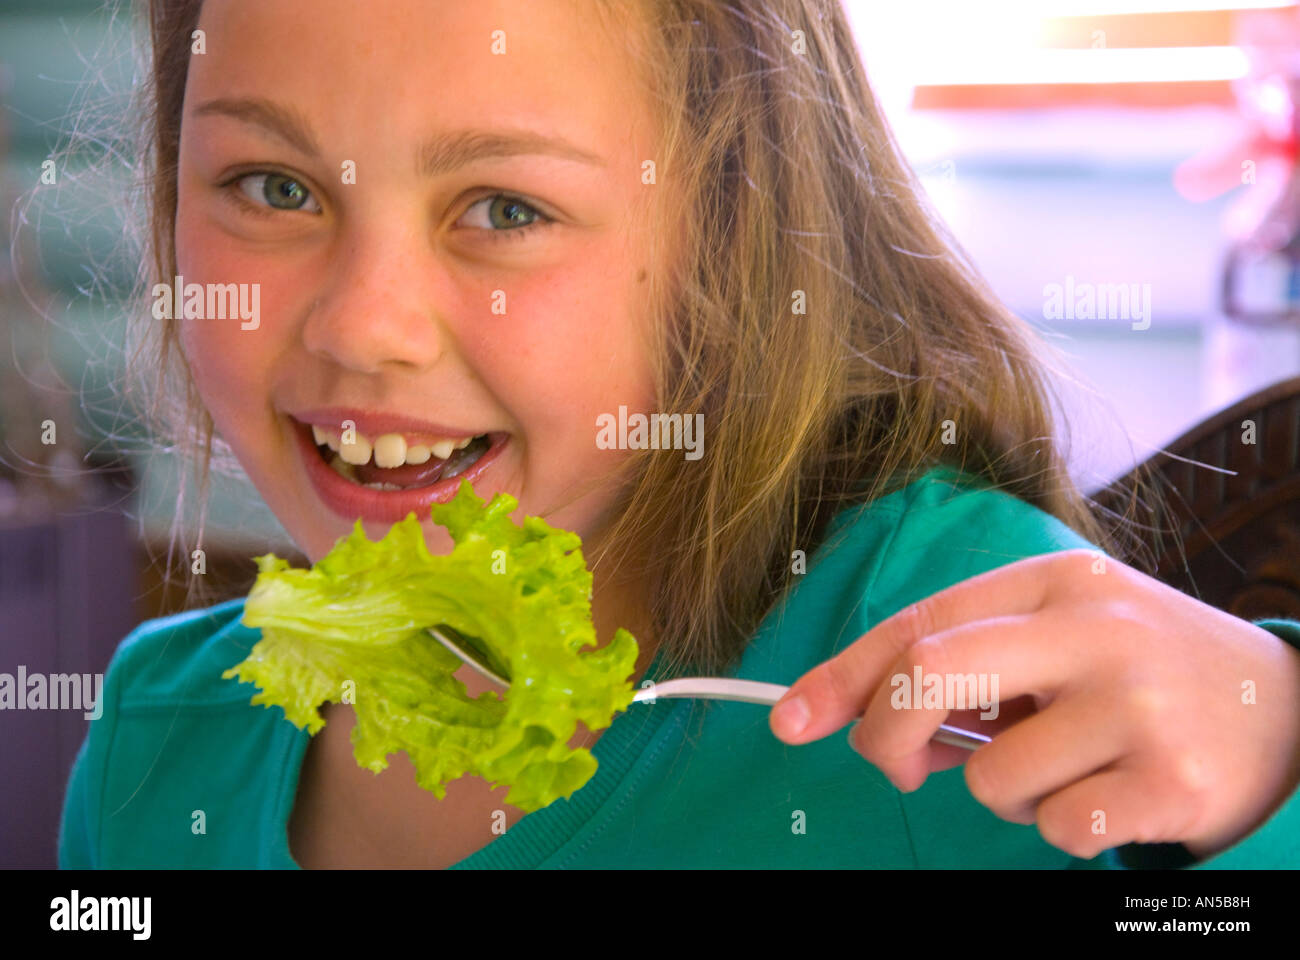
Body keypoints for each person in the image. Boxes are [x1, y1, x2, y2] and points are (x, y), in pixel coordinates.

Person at [58, 0, 1300, 868]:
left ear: (732, 246)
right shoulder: (162, 735)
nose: (362, 328)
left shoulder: (976, 646)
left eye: (504, 205)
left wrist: (1269, 766)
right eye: (273, 188)